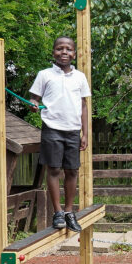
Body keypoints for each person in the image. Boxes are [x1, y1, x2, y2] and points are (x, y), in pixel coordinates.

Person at [28, 36, 91, 232]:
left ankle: (69, 211)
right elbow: (34, 98)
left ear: (74, 53)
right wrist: (34, 104)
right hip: (52, 128)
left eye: (68, 49)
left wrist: (85, 133)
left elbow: (83, 105)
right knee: (54, 169)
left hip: (73, 130)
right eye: (59, 49)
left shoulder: (80, 77)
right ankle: (58, 213)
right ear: (53, 52)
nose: (64, 52)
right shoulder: (45, 75)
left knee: (72, 170)